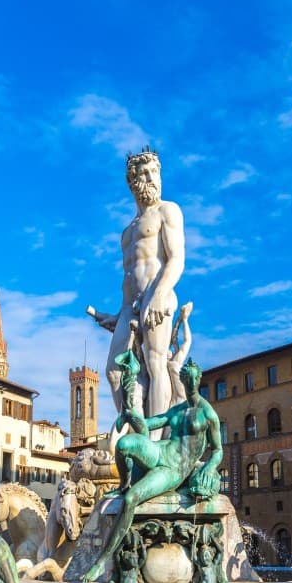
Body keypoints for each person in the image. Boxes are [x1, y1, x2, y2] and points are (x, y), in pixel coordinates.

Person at [81, 359, 222, 583]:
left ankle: (101, 561)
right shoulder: (178, 410)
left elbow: (218, 450)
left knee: (131, 499)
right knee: (124, 444)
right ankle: (123, 484)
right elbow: (148, 424)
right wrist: (129, 411)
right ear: (182, 380)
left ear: (199, 379)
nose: (190, 382)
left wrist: (209, 466)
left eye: (194, 378)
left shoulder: (208, 414)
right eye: (186, 378)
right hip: (159, 451)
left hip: (173, 468)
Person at [88, 148, 185, 432]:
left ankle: (153, 439)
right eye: (145, 173)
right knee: (114, 371)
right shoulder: (127, 231)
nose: (152, 178)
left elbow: (176, 259)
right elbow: (130, 278)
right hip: (130, 306)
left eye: (155, 172)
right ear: (133, 182)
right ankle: (134, 428)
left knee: (156, 364)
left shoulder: (168, 210)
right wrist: (117, 315)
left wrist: (159, 295)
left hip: (158, 294)